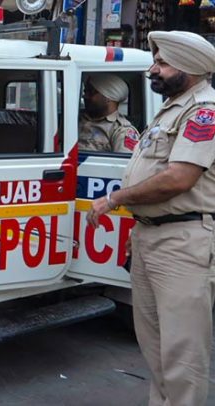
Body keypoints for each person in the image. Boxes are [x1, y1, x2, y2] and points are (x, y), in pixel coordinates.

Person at [88, 31, 215, 406]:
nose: (152, 70)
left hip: (184, 242)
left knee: (181, 354)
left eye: (162, 64)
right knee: (155, 346)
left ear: (190, 67)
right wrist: (139, 226)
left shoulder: (204, 111)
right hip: (153, 237)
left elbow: (178, 179)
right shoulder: (171, 108)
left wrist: (114, 200)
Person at [79, 74, 139, 153]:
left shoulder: (122, 130)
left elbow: (123, 160)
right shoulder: (75, 117)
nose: (85, 96)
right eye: (85, 92)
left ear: (108, 98)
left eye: (91, 93)